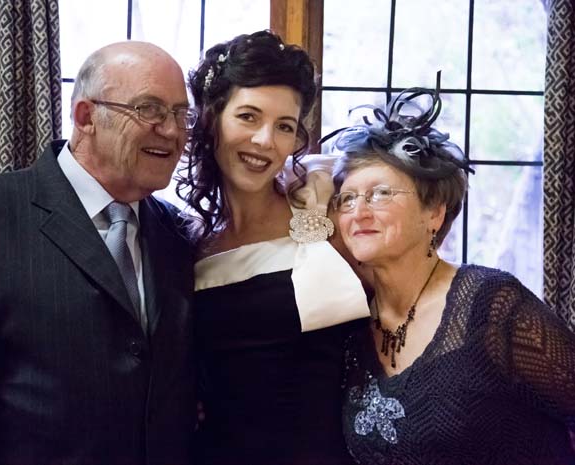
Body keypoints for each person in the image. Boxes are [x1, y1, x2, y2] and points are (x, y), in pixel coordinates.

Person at [0, 42, 196, 465]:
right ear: (86, 117)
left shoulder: (177, 233)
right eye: (150, 110)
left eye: (181, 115)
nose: (173, 131)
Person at [328, 83, 575, 464]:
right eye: (347, 198)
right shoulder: (349, 324)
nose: (358, 212)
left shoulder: (492, 305)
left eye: (381, 194)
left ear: (434, 213)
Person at [177, 30, 369, 465]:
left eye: (284, 126)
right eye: (248, 116)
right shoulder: (184, 243)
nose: (266, 140)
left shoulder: (326, 210)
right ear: (211, 118)